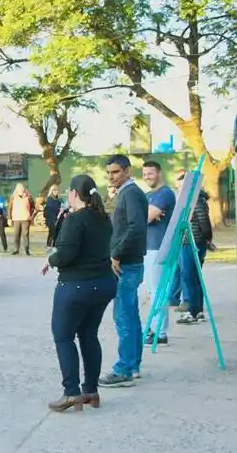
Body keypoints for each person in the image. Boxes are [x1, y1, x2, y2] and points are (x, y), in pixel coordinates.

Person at [41, 174, 117, 412]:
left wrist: (51, 259)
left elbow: (65, 254)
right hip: (103, 283)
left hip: (76, 285)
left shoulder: (76, 220)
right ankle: (91, 390)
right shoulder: (104, 218)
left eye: (68, 193)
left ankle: (71, 392)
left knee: (63, 336)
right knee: (88, 334)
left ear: (74, 193)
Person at [100, 154, 148, 388]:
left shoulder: (131, 193)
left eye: (116, 172)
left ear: (127, 171)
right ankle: (133, 364)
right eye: (109, 173)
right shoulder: (126, 193)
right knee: (130, 315)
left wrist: (117, 253)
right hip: (128, 262)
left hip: (127, 264)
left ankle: (124, 369)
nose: (112, 177)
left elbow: (136, 228)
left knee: (123, 317)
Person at [142, 161, 176, 346]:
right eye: (145, 174)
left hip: (158, 247)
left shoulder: (165, 194)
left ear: (159, 173)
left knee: (157, 291)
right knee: (153, 290)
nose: (147, 177)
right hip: (149, 247)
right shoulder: (149, 195)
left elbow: (144, 217)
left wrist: (145, 215)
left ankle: (160, 333)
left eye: (151, 173)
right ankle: (155, 328)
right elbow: (139, 215)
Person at [173, 171, 213, 325]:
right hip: (187, 242)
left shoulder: (196, 201)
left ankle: (192, 311)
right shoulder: (187, 200)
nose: (181, 188)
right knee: (193, 277)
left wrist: (207, 239)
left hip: (192, 242)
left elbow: (204, 222)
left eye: (184, 185)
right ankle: (198, 310)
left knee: (189, 277)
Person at [8, 183, 34, 256]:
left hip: (25, 218)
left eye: (22, 188)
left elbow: (33, 206)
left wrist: (31, 215)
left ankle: (26, 250)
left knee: (25, 235)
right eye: (19, 188)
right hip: (16, 219)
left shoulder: (28, 197)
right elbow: (10, 208)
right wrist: (9, 218)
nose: (21, 189)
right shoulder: (13, 197)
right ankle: (16, 250)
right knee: (16, 235)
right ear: (17, 189)